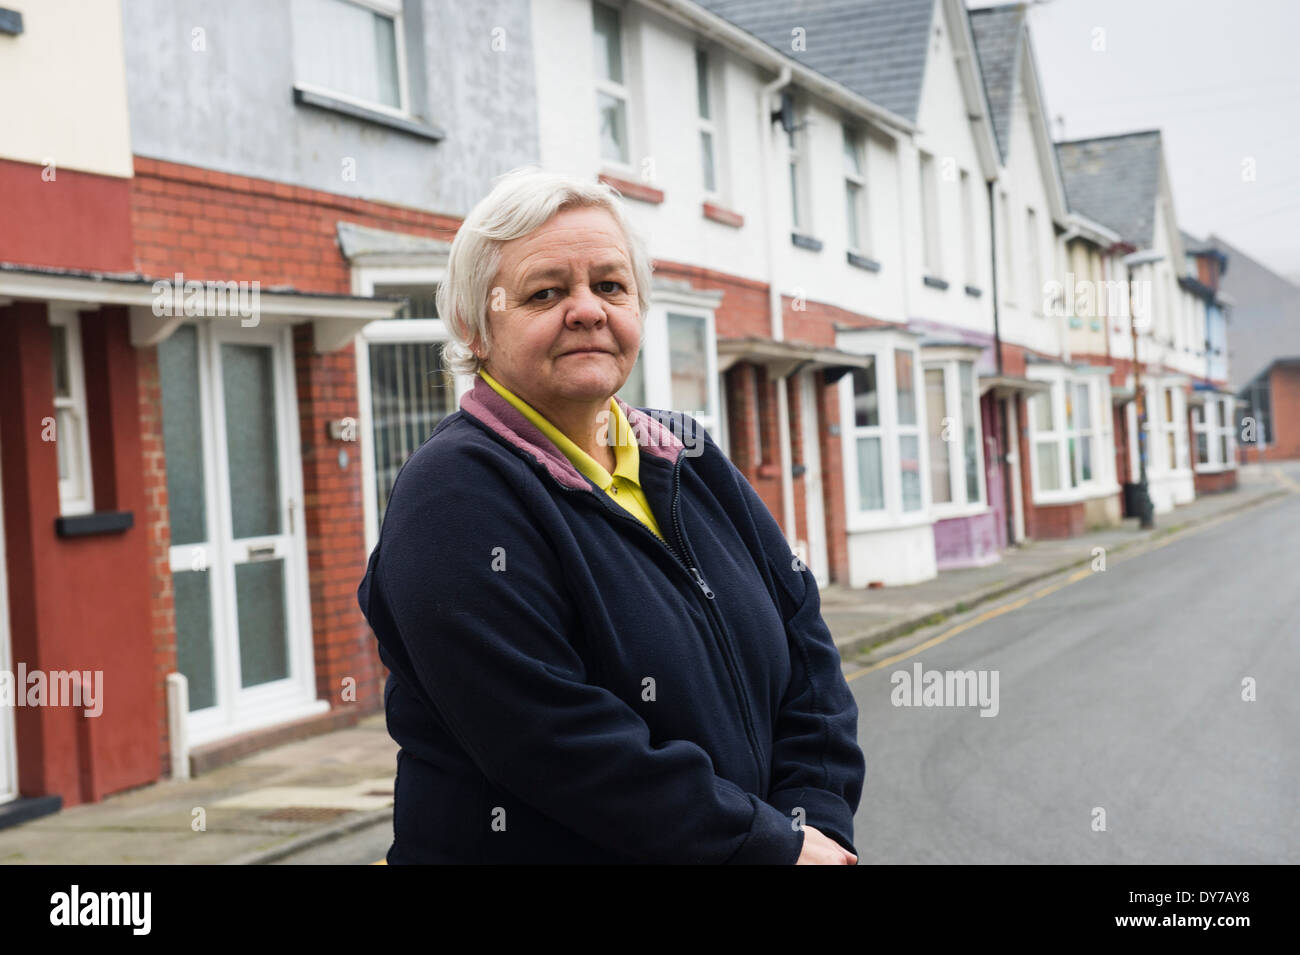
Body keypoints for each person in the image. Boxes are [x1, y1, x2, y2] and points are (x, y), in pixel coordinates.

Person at [357, 166, 865, 864]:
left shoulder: (687, 453)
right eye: (546, 291)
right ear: (475, 327)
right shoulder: (453, 494)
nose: (588, 309)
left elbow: (807, 647)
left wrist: (817, 819)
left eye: (610, 285)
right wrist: (764, 845)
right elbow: (552, 741)